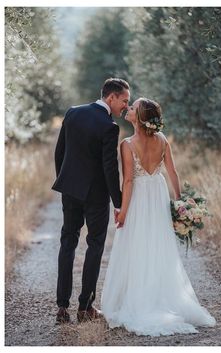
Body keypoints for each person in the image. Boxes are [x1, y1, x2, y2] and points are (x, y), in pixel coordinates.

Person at [101, 97, 216, 336]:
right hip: (159, 193)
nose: (128, 109)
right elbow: (172, 171)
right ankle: (158, 295)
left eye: (132, 108)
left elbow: (129, 180)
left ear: (140, 117)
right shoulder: (162, 140)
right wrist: (181, 201)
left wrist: (123, 210)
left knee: (137, 244)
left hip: (141, 196)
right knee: (158, 244)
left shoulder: (127, 144)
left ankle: (141, 301)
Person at [52, 78, 130, 323]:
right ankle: (85, 308)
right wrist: (118, 202)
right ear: (111, 97)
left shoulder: (73, 113)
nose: (125, 107)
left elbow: (59, 152)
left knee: (68, 243)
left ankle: (62, 308)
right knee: (94, 246)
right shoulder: (109, 126)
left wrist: (65, 181)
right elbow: (110, 169)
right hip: (96, 197)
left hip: (70, 191)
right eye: (124, 101)